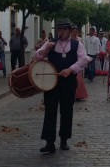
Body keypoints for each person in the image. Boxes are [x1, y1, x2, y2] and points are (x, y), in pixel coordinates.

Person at [34, 18, 87, 153]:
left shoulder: (76, 44)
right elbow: (36, 57)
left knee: (66, 110)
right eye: (59, 29)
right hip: (51, 82)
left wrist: (70, 69)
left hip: (68, 82)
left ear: (69, 31)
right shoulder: (50, 43)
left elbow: (83, 59)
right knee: (50, 110)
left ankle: (64, 140)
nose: (61, 32)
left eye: (64, 29)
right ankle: (49, 142)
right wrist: (45, 50)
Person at [71, 26, 88, 101]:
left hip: (78, 61)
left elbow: (82, 51)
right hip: (70, 60)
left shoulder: (79, 40)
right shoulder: (69, 40)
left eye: (76, 31)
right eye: (73, 31)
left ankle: (78, 94)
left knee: (78, 78)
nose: (74, 33)